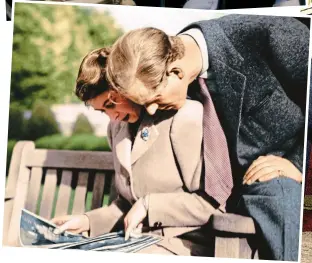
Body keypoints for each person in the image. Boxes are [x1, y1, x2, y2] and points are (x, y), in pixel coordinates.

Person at [103, 14, 307, 261]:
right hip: (206, 213)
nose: (152, 111)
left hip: (275, 177)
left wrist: (298, 163)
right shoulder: (158, 59)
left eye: (155, 99)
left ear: (176, 71)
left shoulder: (271, 34)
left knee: (277, 195)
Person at [52, 48, 221, 256]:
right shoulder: (116, 129)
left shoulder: (184, 117)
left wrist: (150, 205)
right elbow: (127, 204)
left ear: (126, 85)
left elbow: (214, 202)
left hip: (186, 244)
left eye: (110, 103)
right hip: (135, 242)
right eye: (102, 111)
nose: (112, 117)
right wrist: (87, 221)